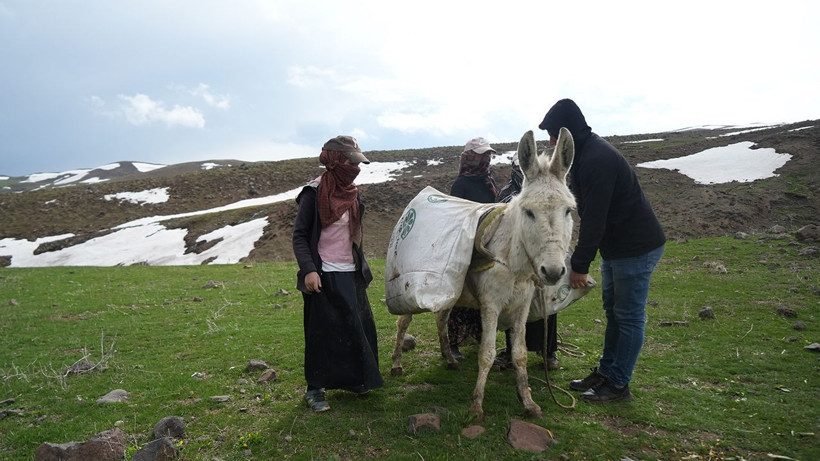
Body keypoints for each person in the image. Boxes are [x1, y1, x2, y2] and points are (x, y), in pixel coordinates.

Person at [538, 99, 665, 403]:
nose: (551, 143)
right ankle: (606, 372)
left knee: (629, 316)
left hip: (635, 247)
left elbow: (595, 218)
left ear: (565, 134)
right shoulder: (582, 156)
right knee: (614, 312)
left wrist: (580, 264)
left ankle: (619, 384)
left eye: (553, 136)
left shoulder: (597, 160)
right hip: (617, 248)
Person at [292, 135, 383, 412]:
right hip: (323, 275)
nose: (355, 168)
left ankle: (355, 380)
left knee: (356, 328)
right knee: (323, 334)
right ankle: (315, 390)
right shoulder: (313, 193)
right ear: (335, 161)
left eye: (357, 163)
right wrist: (309, 270)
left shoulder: (353, 193)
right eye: (350, 161)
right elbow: (300, 235)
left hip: (351, 273)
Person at [494, 153, 560, 371]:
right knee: (513, 309)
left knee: (545, 306)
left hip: (542, 256)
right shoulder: (506, 194)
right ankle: (512, 351)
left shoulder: (548, 193)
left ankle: (548, 352)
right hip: (515, 263)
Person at [447, 136, 499, 360]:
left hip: (489, 245)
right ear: (470, 156)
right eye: (481, 154)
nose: (486, 157)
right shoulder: (461, 185)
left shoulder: (489, 181)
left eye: (488, 154)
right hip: (467, 245)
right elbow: (456, 217)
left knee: (484, 294)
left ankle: (480, 339)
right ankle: (452, 344)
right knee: (461, 295)